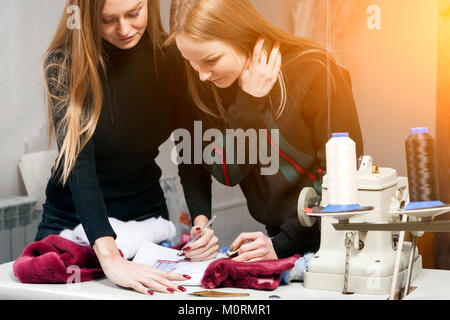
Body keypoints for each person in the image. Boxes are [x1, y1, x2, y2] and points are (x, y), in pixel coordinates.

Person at [36, 0, 217, 295]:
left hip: (145, 219)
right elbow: (80, 166)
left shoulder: (174, 58)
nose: (124, 29)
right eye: (108, 20)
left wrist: (201, 226)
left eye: (134, 13)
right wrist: (110, 257)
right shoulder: (64, 63)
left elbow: (192, 153)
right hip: (74, 221)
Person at [168, 0, 364, 262]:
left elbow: (341, 176)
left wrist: (283, 244)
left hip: (337, 240)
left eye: (211, 60)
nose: (202, 74)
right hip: (278, 241)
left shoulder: (316, 69)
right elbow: (226, 171)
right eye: (192, 63)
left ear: (241, 34)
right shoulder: (208, 85)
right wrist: (249, 102)